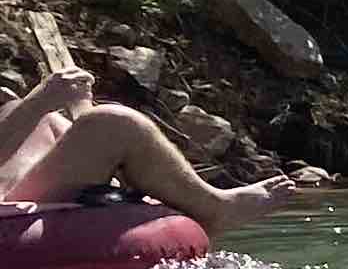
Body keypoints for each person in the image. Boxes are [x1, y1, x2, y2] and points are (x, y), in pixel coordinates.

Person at [1, 60, 315, 232]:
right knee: (112, 122)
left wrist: (78, 108)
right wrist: (40, 100)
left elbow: (79, 150)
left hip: (20, 195)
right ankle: (215, 208)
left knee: (29, 115)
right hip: (12, 216)